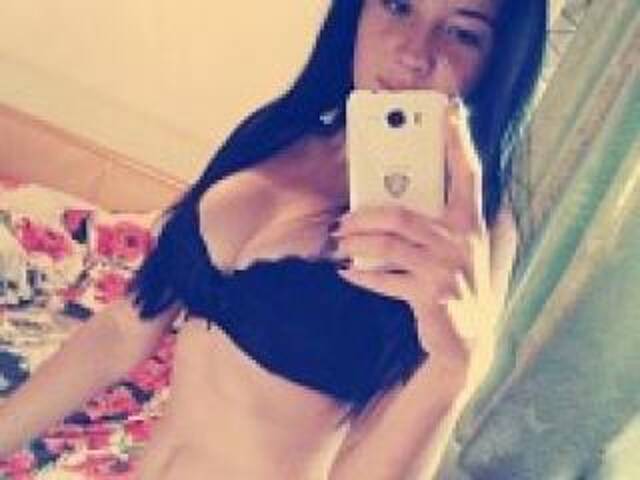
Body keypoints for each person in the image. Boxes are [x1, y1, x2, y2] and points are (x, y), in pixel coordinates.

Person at [0, 0, 547, 478]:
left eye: (462, 32)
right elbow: (126, 327)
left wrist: (455, 366)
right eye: (398, 5)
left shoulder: (466, 234)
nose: (413, 52)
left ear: (497, 64)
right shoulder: (282, 131)